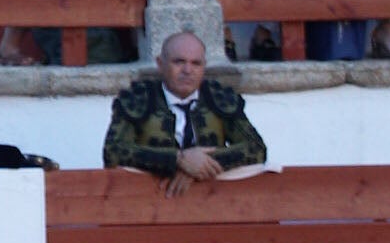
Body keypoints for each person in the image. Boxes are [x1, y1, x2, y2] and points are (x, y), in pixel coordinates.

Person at [104, 27, 269, 181]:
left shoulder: (220, 98)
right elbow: (113, 152)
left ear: (204, 67)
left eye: (196, 63)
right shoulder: (136, 99)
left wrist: (198, 166)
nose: (187, 70)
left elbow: (256, 149)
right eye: (179, 62)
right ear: (160, 64)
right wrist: (178, 160)